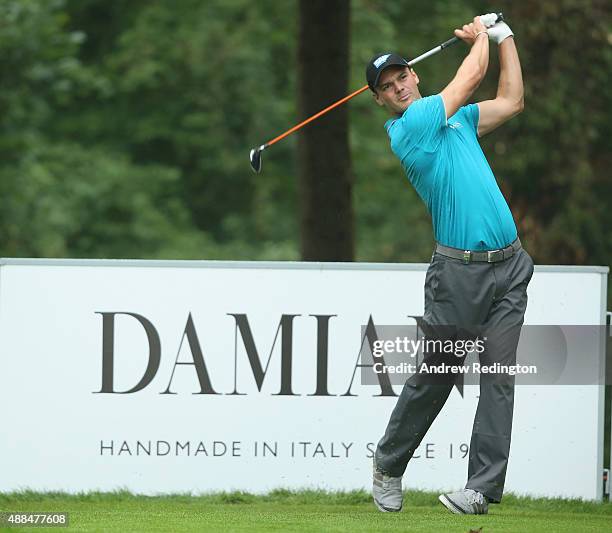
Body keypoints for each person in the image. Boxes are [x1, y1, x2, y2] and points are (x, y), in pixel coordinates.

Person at [366, 14, 534, 515]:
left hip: (510, 267)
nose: (397, 88)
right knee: (438, 375)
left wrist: (505, 39)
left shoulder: (456, 120)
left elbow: (511, 100)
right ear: (379, 100)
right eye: (386, 87)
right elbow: (465, 79)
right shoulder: (410, 129)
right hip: (458, 274)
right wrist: (481, 34)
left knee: (499, 377)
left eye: (401, 78)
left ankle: (480, 490)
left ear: (414, 76)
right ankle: (389, 463)